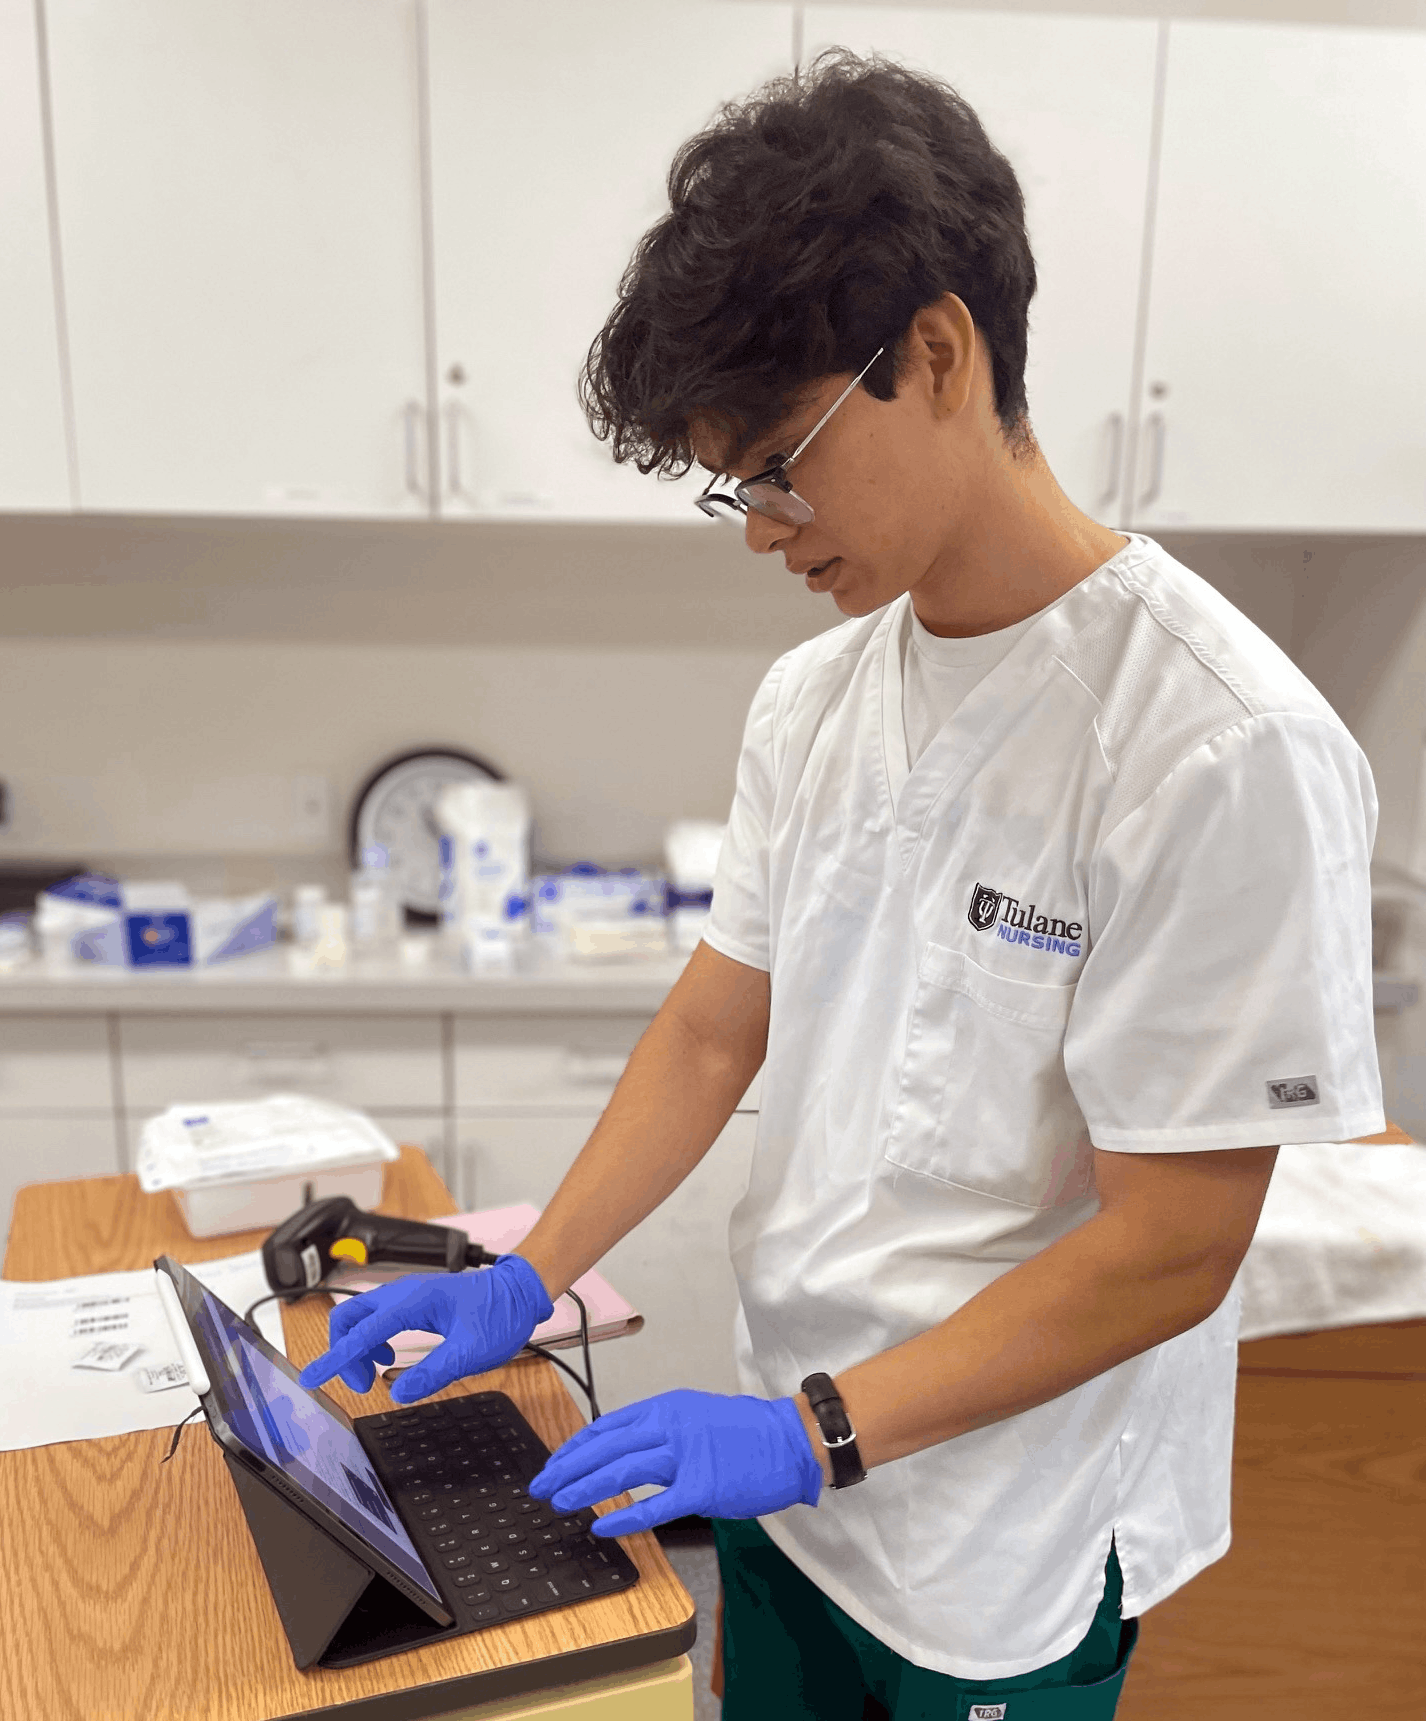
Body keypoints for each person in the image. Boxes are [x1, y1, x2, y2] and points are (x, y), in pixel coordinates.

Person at [301, 51, 1383, 1718]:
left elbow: (1172, 1247)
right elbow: (711, 1034)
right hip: (789, 1499)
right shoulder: (813, 700)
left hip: (989, 1546)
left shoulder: (1212, 744)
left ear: (936, 355)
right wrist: (530, 1276)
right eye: (728, 481)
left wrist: (814, 1437)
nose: (756, 526)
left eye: (777, 463)